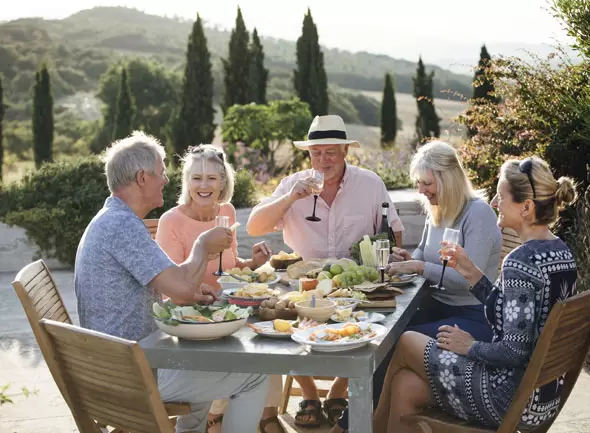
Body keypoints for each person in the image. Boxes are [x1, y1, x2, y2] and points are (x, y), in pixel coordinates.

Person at [74, 132, 269, 433]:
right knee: (256, 374)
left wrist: (191, 288)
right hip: (130, 376)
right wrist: (203, 245)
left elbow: (174, 283)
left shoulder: (114, 220)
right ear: (142, 177)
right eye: (162, 172)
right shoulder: (122, 227)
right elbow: (180, 287)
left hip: (119, 366)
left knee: (206, 366)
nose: (166, 180)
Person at [372, 156, 578, 433]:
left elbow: (513, 352)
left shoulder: (521, 261)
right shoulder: (561, 253)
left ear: (526, 207)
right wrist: (470, 272)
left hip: (506, 396)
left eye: (500, 196)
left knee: (406, 340)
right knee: (405, 386)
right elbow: (514, 315)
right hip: (541, 399)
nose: (494, 204)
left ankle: (364, 428)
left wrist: (469, 346)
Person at [331, 140, 502, 433]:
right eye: (418, 184)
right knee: (379, 335)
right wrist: (408, 258)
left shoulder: (478, 214)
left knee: (392, 343)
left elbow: (465, 280)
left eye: (426, 183)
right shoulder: (438, 210)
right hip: (437, 307)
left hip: (471, 316)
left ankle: (352, 426)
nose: (421, 191)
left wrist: (420, 267)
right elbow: (423, 253)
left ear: (448, 178)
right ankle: (361, 422)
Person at [247, 114, 404, 428]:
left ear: (346, 151)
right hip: (301, 285)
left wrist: (380, 255)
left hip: (353, 286)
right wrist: (292, 197)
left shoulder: (370, 184)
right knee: (277, 320)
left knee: (377, 324)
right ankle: (308, 392)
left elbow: (394, 234)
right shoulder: (294, 184)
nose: (322, 160)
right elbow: (254, 226)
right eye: (315, 153)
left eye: (330, 152)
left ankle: (338, 389)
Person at [155, 144, 284, 433]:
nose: (204, 185)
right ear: (187, 182)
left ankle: (264, 415)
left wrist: (253, 263)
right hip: (190, 318)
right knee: (256, 345)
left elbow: (231, 265)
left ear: (223, 182)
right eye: (197, 178)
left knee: (269, 334)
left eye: (212, 178)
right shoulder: (171, 222)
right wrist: (203, 264)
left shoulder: (225, 211)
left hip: (228, 310)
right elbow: (171, 288)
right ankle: (217, 416)